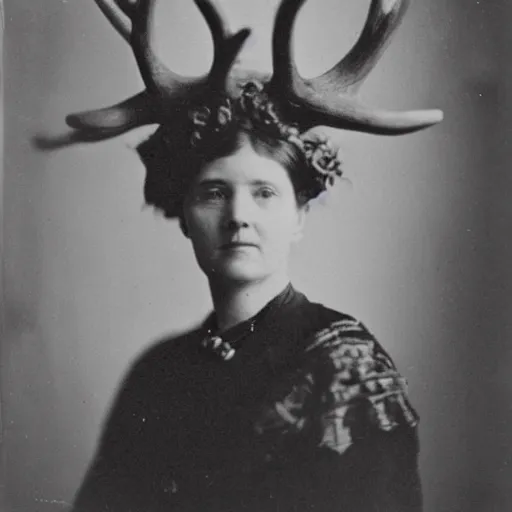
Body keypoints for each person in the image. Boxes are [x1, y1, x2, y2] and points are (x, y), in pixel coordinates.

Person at [48, 1, 443, 511]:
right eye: (213, 192)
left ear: (299, 214)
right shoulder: (158, 372)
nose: (238, 216)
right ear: (184, 214)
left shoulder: (346, 370)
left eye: (264, 193)